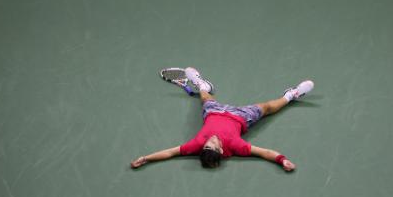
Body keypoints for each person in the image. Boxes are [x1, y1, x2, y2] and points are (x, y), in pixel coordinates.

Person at [130, 67, 314, 171]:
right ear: (221, 150)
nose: (210, 141)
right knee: (266, 107)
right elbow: (265, 153)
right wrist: (282, 160)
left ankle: (203, 85)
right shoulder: (236, 146)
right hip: (241, 116)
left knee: (205, 98)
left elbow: (169, 153)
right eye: (213, 145)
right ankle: (292, 95)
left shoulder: (196, 145)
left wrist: (146, 158)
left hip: (214, 111)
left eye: (207, 145)